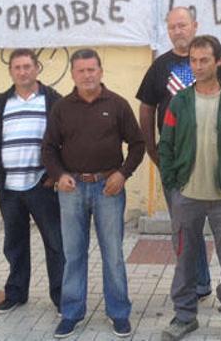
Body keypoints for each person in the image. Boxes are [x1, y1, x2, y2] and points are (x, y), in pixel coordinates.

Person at [136, 6, 221, 323]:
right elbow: (147, 108)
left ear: (195, 26)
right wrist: (157, 157)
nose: (177, 31)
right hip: (180, 175)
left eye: (182, 25)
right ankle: (197, 289)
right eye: (172, 27)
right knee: (186, 243)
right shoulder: (161, 68)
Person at [42, 49, 145, 339]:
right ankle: (71, 313)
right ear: (73, 74)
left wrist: (122, 174)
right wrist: (59, 175)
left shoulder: (117, 104)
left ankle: (119, 312)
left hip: (108, 189)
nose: (87, 75)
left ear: (101, 71)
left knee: (113, 254)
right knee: (73, 254)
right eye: (81, 71)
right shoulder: (62, 108)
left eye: (91, 70)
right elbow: (48, 148)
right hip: (72, 189)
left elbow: (137, 144)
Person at [0, 48, 64, 313]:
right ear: (10, 71)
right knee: (14, 244)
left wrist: (56, 175)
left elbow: (66, 141)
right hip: (9, 188)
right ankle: (16, 293)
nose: (23, 72)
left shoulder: (53, 101)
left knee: (55, 243)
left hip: (42, 185)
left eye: (27, 66)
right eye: (17, 67)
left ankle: (61, 296)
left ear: (37, 68)